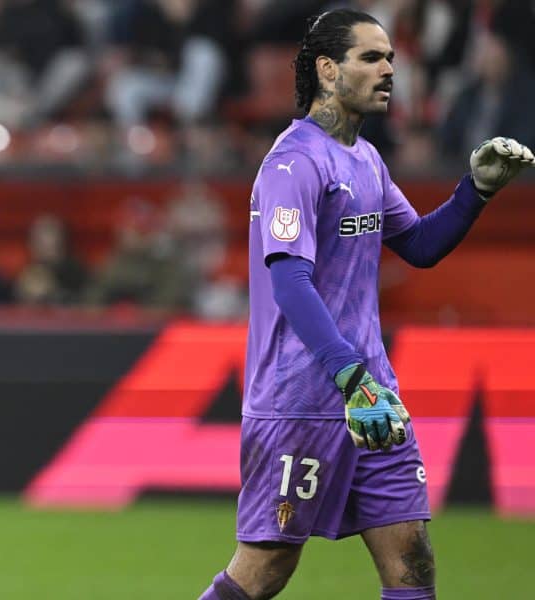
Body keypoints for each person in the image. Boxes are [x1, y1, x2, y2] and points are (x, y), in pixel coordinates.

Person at [198, 9, 534, 600]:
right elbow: (291, 283)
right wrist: (350, 376)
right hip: (302, 401)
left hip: (374, 402)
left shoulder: (366, 160)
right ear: (328, 70)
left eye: (391, 59)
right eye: (371, 58)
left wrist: (474, 191)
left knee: (412, 562)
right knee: (266, 569)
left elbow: (421, 246)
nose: (388, 70)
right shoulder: (293, 162)